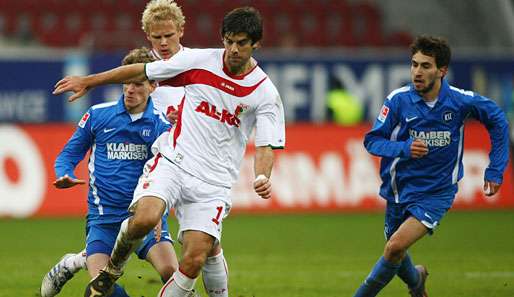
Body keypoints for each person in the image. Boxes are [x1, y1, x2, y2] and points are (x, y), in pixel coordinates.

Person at [53, 6, 285, 297]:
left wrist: (262, 176)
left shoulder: (265, 93)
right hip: (173, 161)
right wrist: (89, 80)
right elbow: (142, 70)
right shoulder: (200, 61)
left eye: (241, 43)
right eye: (228, 41)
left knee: (197, 256)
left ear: (256, 44)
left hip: (214, 181)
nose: (233, 49)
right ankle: (112, 269)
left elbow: (266, 144)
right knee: (145, 218)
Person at [40, 1, 190, 296]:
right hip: (104, 218)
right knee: (103, 291)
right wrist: (64, 172)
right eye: (126, 83)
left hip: (144, 218)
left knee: (174, 276)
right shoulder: (98, 115)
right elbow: (70, 153)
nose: (130, 90)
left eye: (137, 84)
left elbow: (167, 172)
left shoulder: (161, 127)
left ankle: (81, 260)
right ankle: (76, 261)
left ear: (153, 87)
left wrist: (160, 213)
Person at [353, 35, 510, 297]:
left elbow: (497, 119)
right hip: (398, 189)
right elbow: (372, 141)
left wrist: (495, 168)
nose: (417, 72)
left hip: (436, 192)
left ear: (442, 70)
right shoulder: (398, 100)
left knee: (393, 247)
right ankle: (417, 281)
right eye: (414, 64)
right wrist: (404, 148)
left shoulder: (460, 101)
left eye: (425, 66)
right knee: (397, 250)